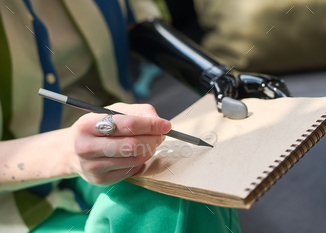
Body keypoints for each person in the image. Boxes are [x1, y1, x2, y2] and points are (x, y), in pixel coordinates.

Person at [0, 0, 242, 232]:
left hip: (110, 141)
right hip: (13, 203)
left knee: (175, 190)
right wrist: (68, 154)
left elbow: (139, 24)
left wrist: (219, 77)